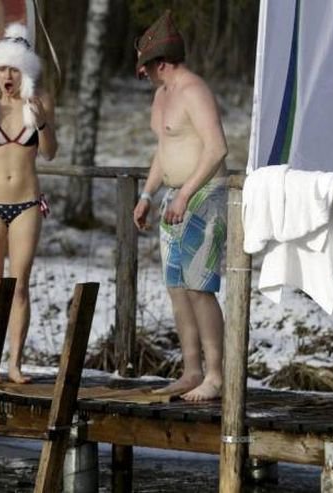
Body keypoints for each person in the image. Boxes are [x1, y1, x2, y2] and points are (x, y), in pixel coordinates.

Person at [132, 11, 228, 401]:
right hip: (173, 197)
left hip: (203, 195)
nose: (142, 73)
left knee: (199, 287)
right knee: (176, 287)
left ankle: (216, 375)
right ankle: (191, 370)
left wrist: (187, 193)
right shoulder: (161, 95)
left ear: (162, 62)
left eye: (145, 65)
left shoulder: (193, 91)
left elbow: (217, 148)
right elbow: (164, 150)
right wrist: (147, 195)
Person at [0, 23, 57, 384]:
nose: (7, 76)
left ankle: (15, 363)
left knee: (18, 285)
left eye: (14, 70)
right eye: (2, 69)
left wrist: (42, 124)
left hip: (26, 205)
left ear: (25, 72)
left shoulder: (40, 102)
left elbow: (49, 153)